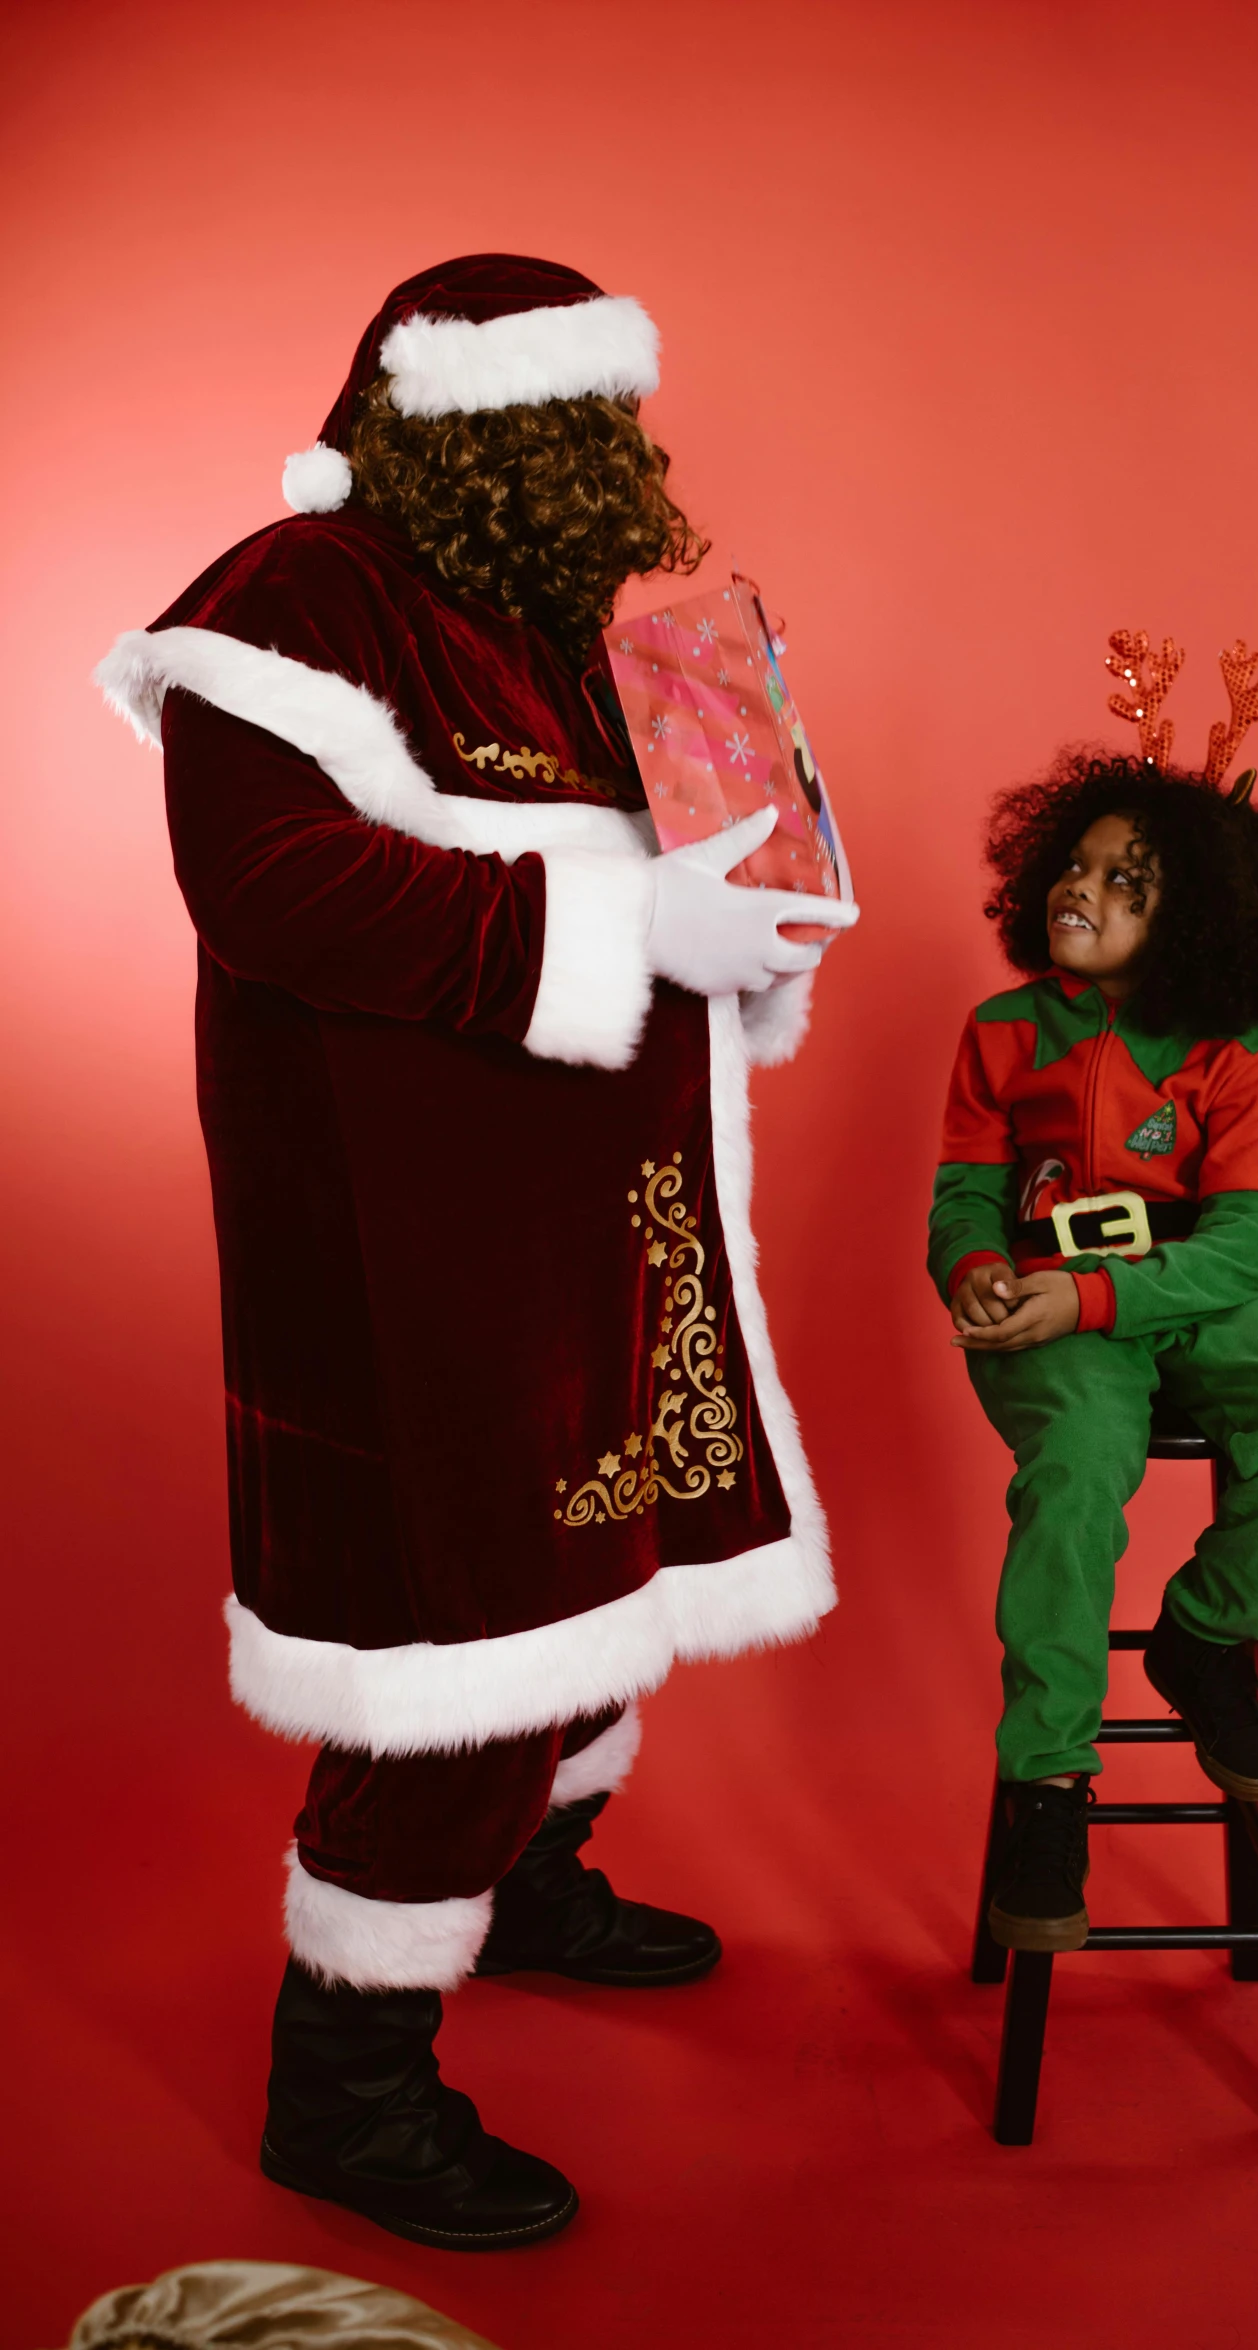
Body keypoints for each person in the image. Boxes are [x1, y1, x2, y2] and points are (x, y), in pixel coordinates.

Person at [94, 254, 857, 2249]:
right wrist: (616, 921)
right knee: (471, 1632)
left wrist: (759, 912)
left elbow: (714, 854)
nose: (587, 464)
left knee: (619, 1572)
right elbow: (278, 892)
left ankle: (530, 1882)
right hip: (409, 1236)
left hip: (610, 1211)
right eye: (552, 428)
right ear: (434, 421)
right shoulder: (294, 594)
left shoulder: (577, 622)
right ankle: (347, 2084)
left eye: (601, 427)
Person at [928, 743, 1258, 1956]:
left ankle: (1207, 1631)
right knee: (1075, 1470)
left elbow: (1249, 1244)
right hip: (1045, 1292)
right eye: (1077, 867)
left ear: (1197, 918)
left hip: (1189, 1288)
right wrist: (977, 1274)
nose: (1085, 890)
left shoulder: (1236, 1044)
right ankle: (1048, 1788)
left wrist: (1104, 1300)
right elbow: (964, 1198)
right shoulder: (1001, 1030)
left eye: (1130, 881)